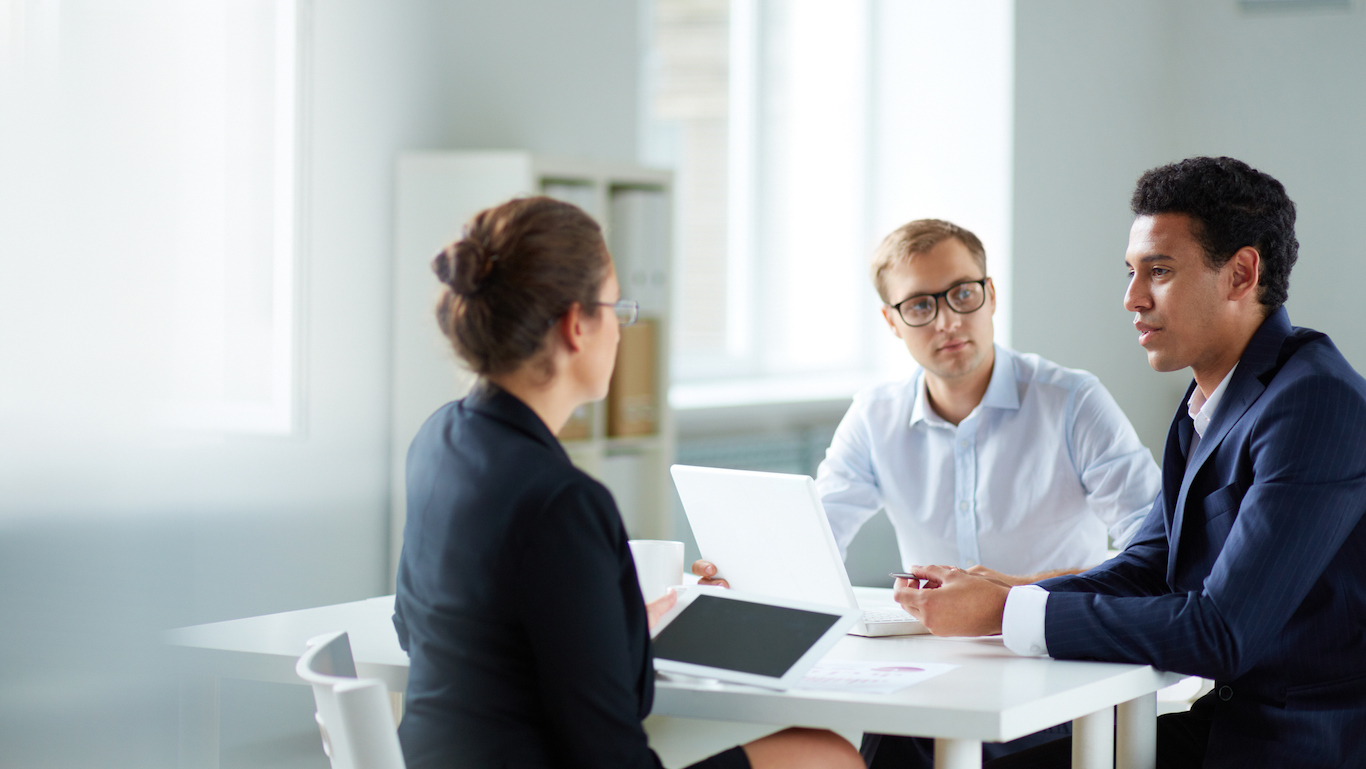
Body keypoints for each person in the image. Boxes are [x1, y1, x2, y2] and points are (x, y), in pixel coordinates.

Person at [896, 157, 1366, 769]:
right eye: (1131, 272)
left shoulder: (1313, 402)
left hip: (1298, 746)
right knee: (922, 745)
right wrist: (1006, 593)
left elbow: (1221, 632)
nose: (1131, 298)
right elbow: (1149, 566)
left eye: (1159, 271)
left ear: (1241, 274)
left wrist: (1009, 610)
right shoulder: (1212, 396)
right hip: (1225, 727)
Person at [390, 196, 863, 769]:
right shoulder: (564, 501)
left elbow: (418, 628)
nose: (621, 329)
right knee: (826, 753)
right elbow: (610, 750)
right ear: (576, 326)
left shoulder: (438, 440)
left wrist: (610, 624)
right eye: (616, 309)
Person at [693, 218, 1163, 766]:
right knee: (883, 746)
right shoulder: (876, 414)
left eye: (963, 294)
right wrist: (747, 573)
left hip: (1055, 667)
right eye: (919, 306)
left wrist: (1012, 596)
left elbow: (1155, 553)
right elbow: (816, 538)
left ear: (990, 295)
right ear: (891, 322)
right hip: (932, 676)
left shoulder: (1072, 401)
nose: (947, 321)